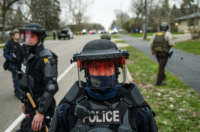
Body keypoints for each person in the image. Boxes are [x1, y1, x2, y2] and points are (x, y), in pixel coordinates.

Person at [50, 39, 158, 132]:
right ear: (87, 71)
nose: (102, 73)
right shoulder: (68, 108)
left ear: (116, 70)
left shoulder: (137, 107)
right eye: (96, 68)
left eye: (108, 67)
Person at [17, 23, 58, 132]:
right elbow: (26, 81)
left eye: (32, 36)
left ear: (40, 38)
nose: (28, 39)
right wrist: (24, 100)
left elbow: (51, 86)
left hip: (42, 109)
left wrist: (40, 113)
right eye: (27, 36)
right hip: (31, 106)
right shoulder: (29, 56)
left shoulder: (47, 58)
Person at [3, 29, 23, 99]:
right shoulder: (9, 44)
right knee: (16, 78)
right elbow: (5, 54)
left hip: (20, 63)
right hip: (13, 64)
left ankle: (17, 91)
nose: (18, 35)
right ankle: (18, 93)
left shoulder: (20, 43)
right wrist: (11, 59)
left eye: (18, 34)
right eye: (16, 34)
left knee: (21, 78)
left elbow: (24, 52)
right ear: (12, 36)